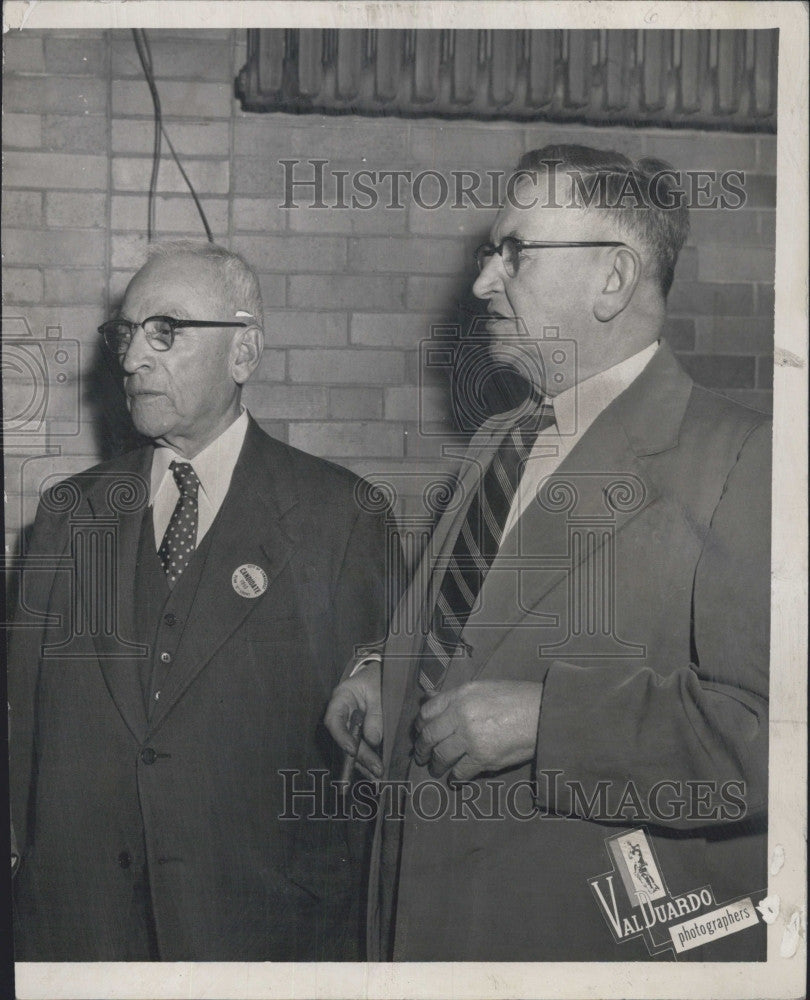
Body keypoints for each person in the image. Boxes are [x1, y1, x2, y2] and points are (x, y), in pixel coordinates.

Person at [325, 146, 771, 962]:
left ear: (613, 278)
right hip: (420, 920)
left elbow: (771, 739)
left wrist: (550, 721)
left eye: (515, 254)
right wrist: (378, 673)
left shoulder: (746, 459)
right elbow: (461, 637)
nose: (482, 284)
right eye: (489, 254)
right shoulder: (498, 442)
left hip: (574, 938)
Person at [8, 240, 391, 961]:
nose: (130, 361)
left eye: (167, 332)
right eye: (126, 335)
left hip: (260, 936)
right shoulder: (66, 515)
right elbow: (22, 728)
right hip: (81, 934)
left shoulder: (341, 515)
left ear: (243, 353)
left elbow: (367, 765)